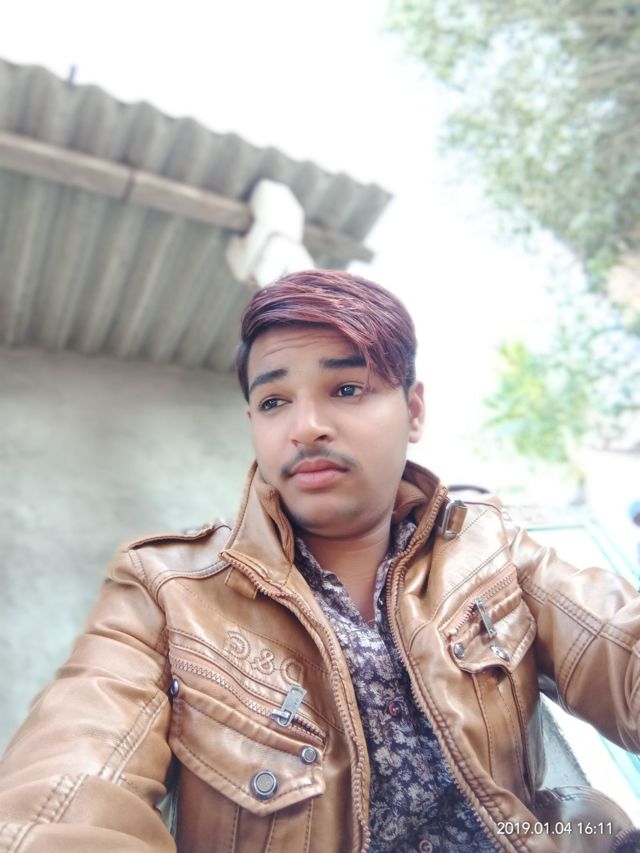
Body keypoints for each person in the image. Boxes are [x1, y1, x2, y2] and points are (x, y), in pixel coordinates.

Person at [0, 270, 638, 853]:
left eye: (347, 388)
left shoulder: (488, 547)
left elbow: (618, 646)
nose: (305, 426)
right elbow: (68, 787)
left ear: (414, 410)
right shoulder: (168, 590)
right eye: (274, 401)